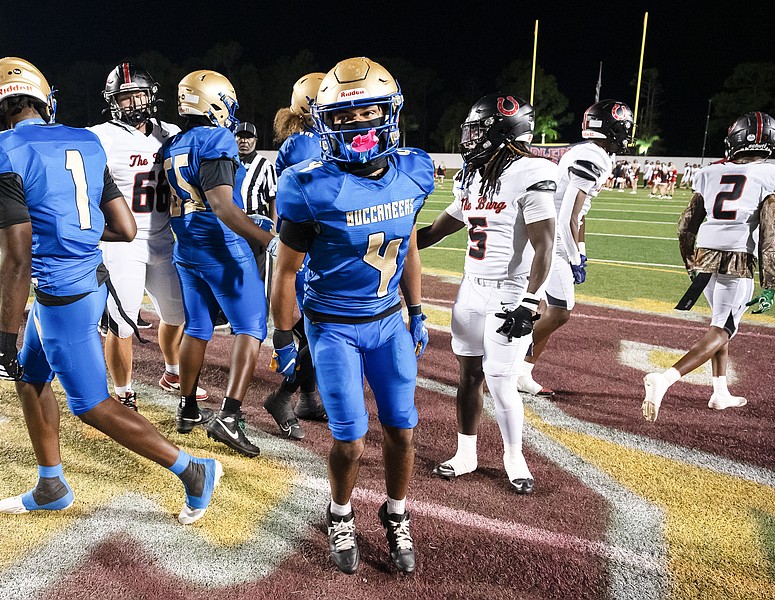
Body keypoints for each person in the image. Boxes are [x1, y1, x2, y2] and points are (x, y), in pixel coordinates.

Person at [0, 57, 221, 525]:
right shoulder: (85, 140)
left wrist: (3, 343)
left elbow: (17, 258)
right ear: (44, 100)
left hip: (62, 294)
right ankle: (51, 484)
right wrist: (74, 232)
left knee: (92, 405)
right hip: (90, 280)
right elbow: (124, 227)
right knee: (31, 378)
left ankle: (194, 471)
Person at [271, 57, 433, 575]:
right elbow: (285, 271)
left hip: (387, 321)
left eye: (368, 113)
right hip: (334, 326)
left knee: (402, 429)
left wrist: (416, 309)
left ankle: (396, 512)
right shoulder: (309, 185)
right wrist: (282, 336)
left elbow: (408, 246)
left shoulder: (413, 171)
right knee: (351, 438)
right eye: (344, 116)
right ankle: (340, 512)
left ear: (390, 113)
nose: (359, 125)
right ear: (325, 122)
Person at [418, 93, 556, 496]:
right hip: (471, 288)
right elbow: (437, 230)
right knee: (468, 376)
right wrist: (391, 242)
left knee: (500, 380)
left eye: (479, 131)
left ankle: (514, 457)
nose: (470, 139)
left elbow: (545, 246)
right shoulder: (473, 176)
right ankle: (466, 453)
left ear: (504, 132)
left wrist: (529, 301)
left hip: (509, 292)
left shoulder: (531, 172)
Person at [642, 111, 775, 421]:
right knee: (724, 328)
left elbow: (685, 226)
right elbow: (772, 234)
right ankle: (665, 379)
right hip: (737, 259)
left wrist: (690, 263)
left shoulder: (709, 173)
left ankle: (720, 392)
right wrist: (770, 285)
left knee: (721, 322)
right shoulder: (773, 174)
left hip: (705, 256)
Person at [162, 69, 276, 458]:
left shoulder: (173, 144)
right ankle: (229, 416)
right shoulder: (216, 138)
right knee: (252, 326)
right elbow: (223, 207)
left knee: (197, 327)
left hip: (186, 247)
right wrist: (269, 240)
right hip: (222, 247)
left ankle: (187, 408)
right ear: (215, 101)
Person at [87, 62, 206, 412]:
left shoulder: (170, 132)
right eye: (124, 97)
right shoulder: (100, 136)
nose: (133, 103)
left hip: (166, 238)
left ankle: (172, 372)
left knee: (177, 314)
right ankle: (123, 392)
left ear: (151, 95)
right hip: (123, 243)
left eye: (138, 94)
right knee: (123, 323)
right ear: (112, 101)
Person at [517, 100, 633, 396]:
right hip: (553, 239)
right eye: (624, 127)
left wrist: (581, 248)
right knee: (560, 312)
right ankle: (505, 357)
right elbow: (569, 212)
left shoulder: (587, 151)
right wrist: (572, 256)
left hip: (552, 235)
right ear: (612, 128)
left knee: (546, 309)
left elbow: (580, 214)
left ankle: (523, 372)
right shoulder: (594, 156)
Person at [263, 72, 329, 440]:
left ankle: (305, 397)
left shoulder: (312, 139)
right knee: (323, 327)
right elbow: (317, 197)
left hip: (310, 245)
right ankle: (283, 397)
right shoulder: (304, 144)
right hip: (305, 249)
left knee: (317, 328)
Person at [235, 121, 278, 281]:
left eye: (248, 137)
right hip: (232, 224)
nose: (244, 141)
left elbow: (273, 197)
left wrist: (272, 229)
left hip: (256, 225)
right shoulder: (228, 162)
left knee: (256, 274)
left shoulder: (264, 165)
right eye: (240, 137)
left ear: (255, 140)